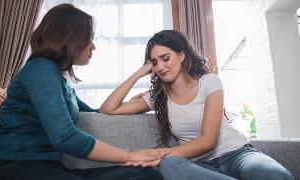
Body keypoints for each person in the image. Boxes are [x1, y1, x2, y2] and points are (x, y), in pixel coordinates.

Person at [0, 4, 169, 180]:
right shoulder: (40, 69)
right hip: (8, 168)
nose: (93, 46)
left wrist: (140, 84)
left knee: (145, 175)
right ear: (70, 39)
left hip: (48, 169)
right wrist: (129, 155)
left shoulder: (61, 83)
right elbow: (65, 136)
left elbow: (101, 111)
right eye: (88, 39)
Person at [99, 30, 295, 180]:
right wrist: (139, 72)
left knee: (273, 174)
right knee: (170, 166)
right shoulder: (157, 96)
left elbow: (208, 140)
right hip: (200, 167)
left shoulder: (209, 82)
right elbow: (108, 108)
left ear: (182, 55)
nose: (160, 67)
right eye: (154, 62)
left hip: (237, 154)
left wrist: (156, 155)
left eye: (165, 58)